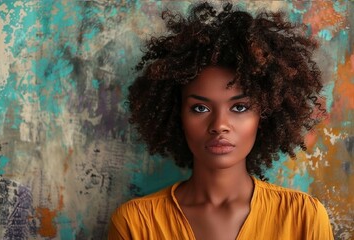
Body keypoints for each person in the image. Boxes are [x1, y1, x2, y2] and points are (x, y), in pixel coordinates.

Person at [108, 2, 334, 240]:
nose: (219, 125)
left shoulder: (304, 218)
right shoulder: (136, 224)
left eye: (239, 107)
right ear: (177, 115)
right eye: (200, 108)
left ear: (265, 114)